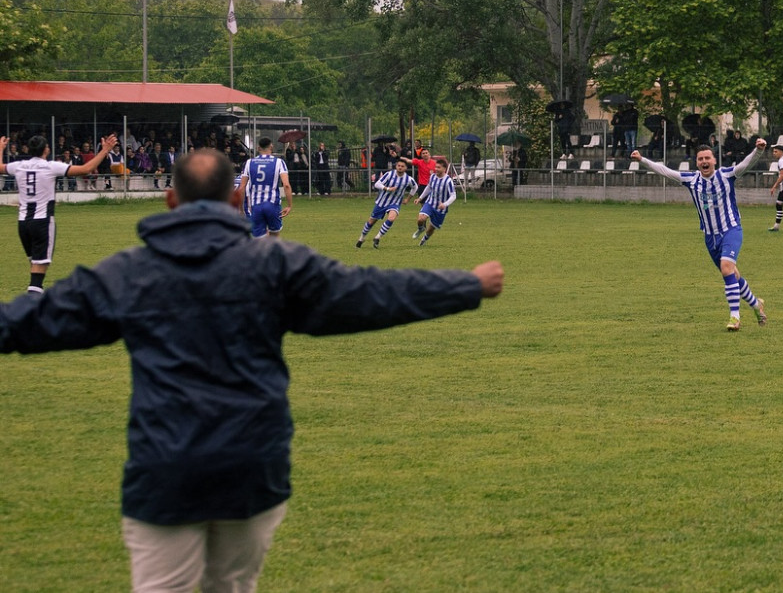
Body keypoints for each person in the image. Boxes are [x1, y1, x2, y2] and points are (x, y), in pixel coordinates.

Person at [0, 148, 503, 593]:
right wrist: (466, 285)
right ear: (238, 199)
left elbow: (30, 321)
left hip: (164, 471)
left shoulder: (129, 273)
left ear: (171, 202)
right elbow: (372, 295)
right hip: (251, 469)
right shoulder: (275, 266)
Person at [632, 142, 768, 331]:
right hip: (710, 237)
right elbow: (664, 171)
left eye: (707, 158)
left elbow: (746, 164)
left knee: (726, 268)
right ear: (697, 162)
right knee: (733, 275)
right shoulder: (691, 179)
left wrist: (759, 150)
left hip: (731, 230)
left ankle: (735, 317)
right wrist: (641, 160)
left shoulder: (726, 175)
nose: (704, 161)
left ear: (714, 161)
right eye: (700, 159)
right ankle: (756, 305)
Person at [0, 133, 118, 293]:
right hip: (42, 222)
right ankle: (31, 308)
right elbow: (86, 169)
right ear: (46, 150)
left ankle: (34, 301)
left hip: (23, 224)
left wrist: (0, 148)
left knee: (35, 266)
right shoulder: (51, 167)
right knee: (37, 275)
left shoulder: (19, 165)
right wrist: (105, 151)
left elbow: (0, 167)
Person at [237, 138, 294, 239]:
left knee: (259, 241)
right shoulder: (279, 162)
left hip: (256, 206)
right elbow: (286, 185)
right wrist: (289, 205)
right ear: (271, 147)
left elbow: (241, 188)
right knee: (274, 238)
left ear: (258, 148)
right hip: (273, 205)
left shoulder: (249, 163)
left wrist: (241, 210)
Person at [357, 158, 418, 248]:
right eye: (398, 166)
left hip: (395, 203)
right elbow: (377, 184)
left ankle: (378, 237)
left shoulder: (408, 179)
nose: (400, 167)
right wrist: (388, 188)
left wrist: (408, 199)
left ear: (406, 168)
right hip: (382, 202)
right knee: (371, 221)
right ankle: (362, 238)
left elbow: (415, 187)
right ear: (396, 166)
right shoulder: (390, 174)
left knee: (391, 218)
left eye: (402, 166)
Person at [412, 158, 458, 246]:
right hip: (430, 203)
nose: (436, 169)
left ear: (444, 169)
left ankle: (424, 240)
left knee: (431, 229)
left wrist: (445, 204)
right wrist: (420, 198)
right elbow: (429, 187)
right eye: (436, 167)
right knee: (421, 219)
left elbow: (453, 196)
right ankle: (421, 228)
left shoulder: (448, 181)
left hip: (440, 209)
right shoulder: (433, 176)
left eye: (438, 167)